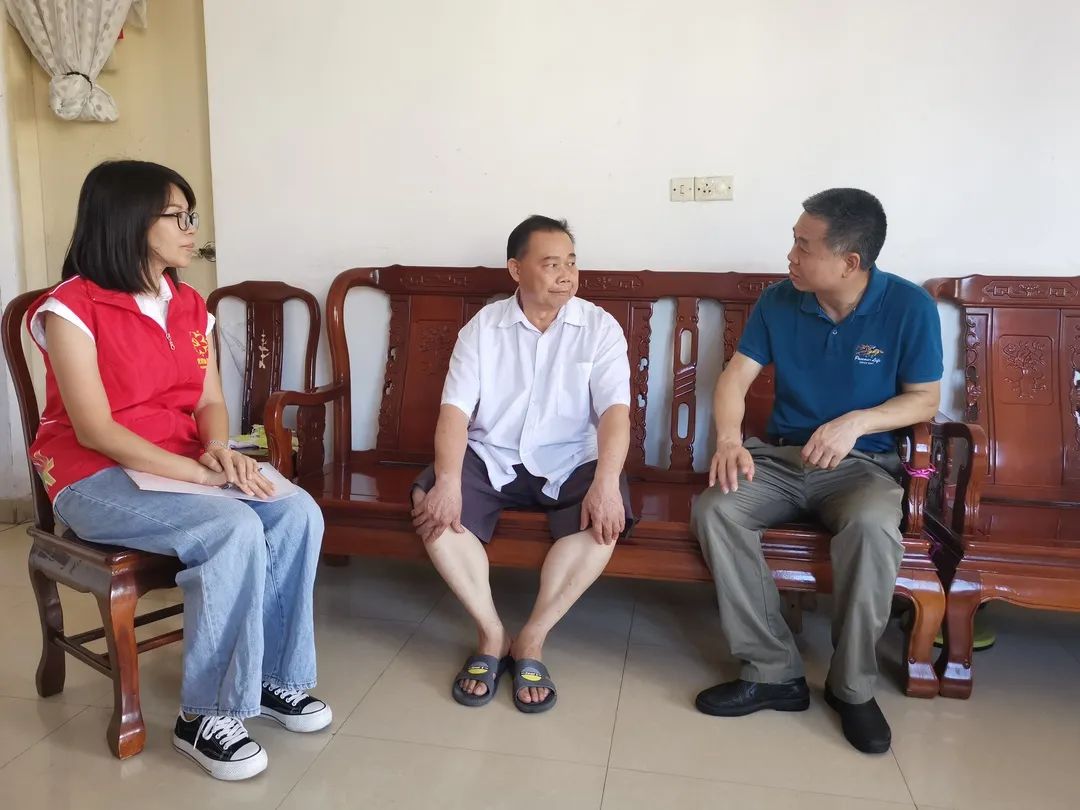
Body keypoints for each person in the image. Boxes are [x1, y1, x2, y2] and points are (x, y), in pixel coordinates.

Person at [27, 160, 331, 781]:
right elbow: (96, 430)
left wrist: (217, 450)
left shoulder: (189, 304)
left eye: (192, 216)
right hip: (93, 475)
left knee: (296, 510)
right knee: (229, 528)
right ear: (130, 220)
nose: (193, 230)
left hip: (181, 462)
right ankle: (206, 714)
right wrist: (199, 476)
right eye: (179, 217)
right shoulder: (71, 308)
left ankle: (271, 676)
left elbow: (209, 399)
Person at [690, 188, 942, 754]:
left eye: (804, 246)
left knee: (873, 526)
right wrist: (729, 440)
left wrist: (858, 421)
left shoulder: (909, 307)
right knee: (717, 508)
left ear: (850, 261)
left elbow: (925, 398)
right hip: (783, 459)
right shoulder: (779, 301)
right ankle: (772, 671)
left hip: (863, 467)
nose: (791, 256)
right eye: (794, 241)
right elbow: (734, 378)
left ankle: (852, 688)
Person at [410, 215, 633, 713]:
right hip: (495, 454)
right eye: (551, 264)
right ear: (516, 269)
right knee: (432, 504)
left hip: (571, 458)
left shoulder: (599, 327)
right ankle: (491, 634)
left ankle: (532, 638)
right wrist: (448, 480)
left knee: (605, 520)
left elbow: (615, 414)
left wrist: (606, 482)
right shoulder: (483, 329)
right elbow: (455, 413)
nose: (566, 275)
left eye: (571, 262)